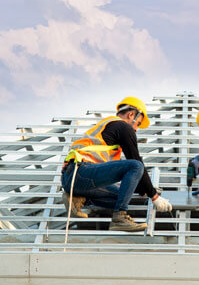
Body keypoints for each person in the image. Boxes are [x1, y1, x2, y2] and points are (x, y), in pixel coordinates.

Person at [61, 96, 172, 232]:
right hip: (81, 171)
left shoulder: (110, 127)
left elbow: (127, 177)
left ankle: (78, 198)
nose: (136, 129)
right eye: (137, 123)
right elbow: (136, 161)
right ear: (131, 114)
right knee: (136, 166)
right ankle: (120, 217)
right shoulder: (123, 126)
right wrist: (154, 196)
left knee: (122, 196)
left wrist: (143, 188)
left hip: (73, 178)